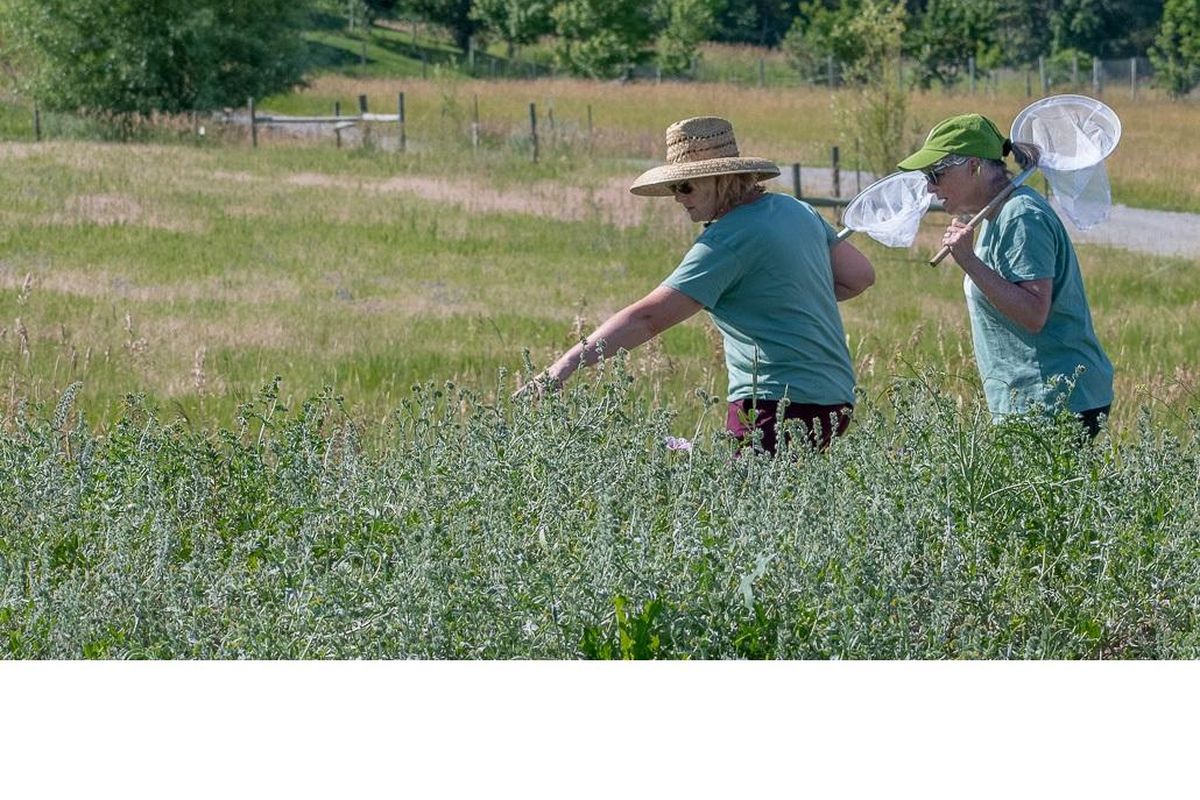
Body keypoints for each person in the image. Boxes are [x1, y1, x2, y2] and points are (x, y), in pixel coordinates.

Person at [527, 116, 876, 453]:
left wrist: (563, 367)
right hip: (834, 397)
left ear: (721, 179)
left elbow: (648, 318)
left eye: (685, 186)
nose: (678, 197)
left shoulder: (727, 239)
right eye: (674, 188)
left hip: (774, 401)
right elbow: (859, 276)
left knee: (742, 508)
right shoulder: (796, 209)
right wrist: (782, 302)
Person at [898, 113, 1114, 437]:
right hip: (1031, 404)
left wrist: (969, 261)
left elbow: (1033, 313)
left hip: (1057, 401)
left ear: (973, 167)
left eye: (936, 173)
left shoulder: (1021, 215)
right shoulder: (995, 215)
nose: (930, 186)